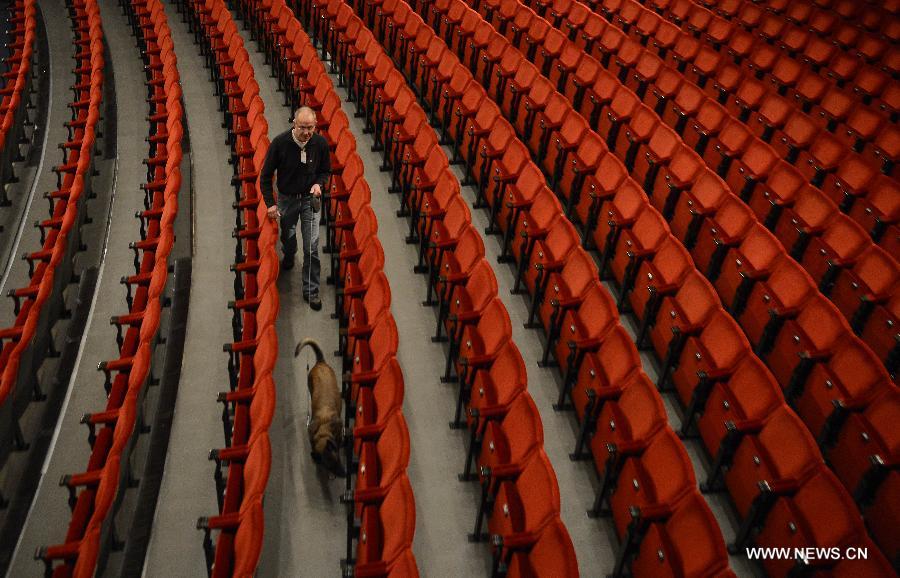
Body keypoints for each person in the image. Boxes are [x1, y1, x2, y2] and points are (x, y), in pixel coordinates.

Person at [260, 106, 331, 311]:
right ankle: (289, 254)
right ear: (294, 124)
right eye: (302, 127)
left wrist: (320, 183)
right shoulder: (280, 143)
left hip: (310, 201)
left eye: (310, 127)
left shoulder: (320, 143)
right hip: (287, 200)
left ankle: (311, 290)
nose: (307, 132)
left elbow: (325, 170)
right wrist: (270, 204)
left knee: (311, 246)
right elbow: (265, 177)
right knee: (288, 237)